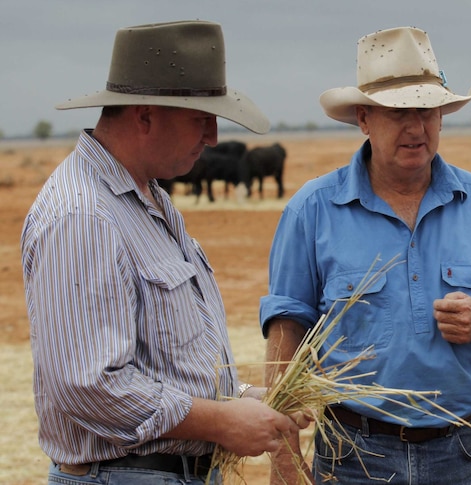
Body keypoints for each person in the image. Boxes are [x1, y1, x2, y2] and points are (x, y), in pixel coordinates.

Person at [21, 20, 311, 485]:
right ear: (145, 115)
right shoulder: (84, 217)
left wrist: (239, 398)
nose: (214, 137)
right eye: (201, 119)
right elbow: (90, 387)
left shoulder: (145, 197)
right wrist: (220, 421)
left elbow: (165, 358)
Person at [261, 26, 471, 485]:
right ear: (364, 119)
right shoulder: (312, 210)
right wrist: (284, 462)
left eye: (427, 112)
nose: (416, 128)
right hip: (351, 454)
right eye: (398, 113)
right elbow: (286, 328)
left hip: (461, 449)